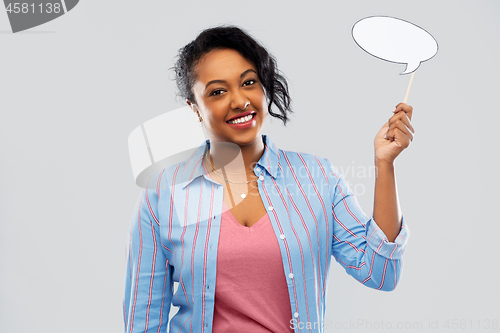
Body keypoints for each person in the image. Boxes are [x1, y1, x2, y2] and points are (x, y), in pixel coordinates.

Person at [123, 26, 413, 333]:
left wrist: (385, 164)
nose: (239, 101)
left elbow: (382, 272)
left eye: (248, 82)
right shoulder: (163, 194)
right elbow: (143, 321)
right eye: (218, 91)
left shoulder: (318, 179)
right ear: (194, 108)